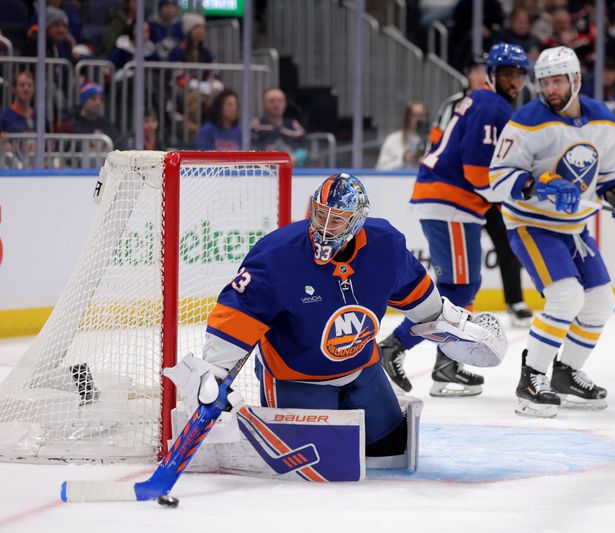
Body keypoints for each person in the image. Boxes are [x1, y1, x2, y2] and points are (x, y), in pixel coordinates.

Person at [173, 173, 485, 461]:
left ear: (357, 221)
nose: (324, 227)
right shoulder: (278, 254)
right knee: (315, 461)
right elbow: (237, 314)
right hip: (296, 376)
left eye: (337, 219)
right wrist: (214, 373)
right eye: (320, 214)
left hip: (363, 371)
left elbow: (417, 295)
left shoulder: (384, 245)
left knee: (391, 452)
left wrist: (449, 322)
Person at [488, 46, 615, 418]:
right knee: (565, 297)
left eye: (558, 80)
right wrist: (538, 185)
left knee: (600, 301)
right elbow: (496, 180)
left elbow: (609, 178)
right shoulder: (526, 121)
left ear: (576, 79)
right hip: (531, 224)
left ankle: (566, 373)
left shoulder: (605, 120)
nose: (550, 88)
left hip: (573, 228)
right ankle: (531, 378)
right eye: (544, 81)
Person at [378, 42, 529, 397]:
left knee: (461, 286)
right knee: (459, 288)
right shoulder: (492, 105)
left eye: (519, 74)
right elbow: (478, 174)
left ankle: (445, 362)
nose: (514, 81)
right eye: (507, 73)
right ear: (491, 74)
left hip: (447, 202)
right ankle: (395, 348)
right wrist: (521, 189)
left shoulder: (482, 101)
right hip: (452, 203)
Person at [427, 54, 533, 327]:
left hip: (486, 194)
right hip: (468, 190)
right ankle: (435, 331)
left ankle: (514, 300)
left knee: (507, 246)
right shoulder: (459, 105)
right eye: (474, 69)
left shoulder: (498, 104)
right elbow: (439, 143)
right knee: (460, 280)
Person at [251, 87, 308, 166]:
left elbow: (305, 148)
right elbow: (250, 149)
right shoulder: (256, 126)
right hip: (262, 173)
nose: (276, 104)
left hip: (294, 174)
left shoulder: (294, 125)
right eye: (271, 101)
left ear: (285, 103)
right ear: (264, 103)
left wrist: (295, 158)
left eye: (280, 101)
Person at [375, 101, 428, 170]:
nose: (419, 119)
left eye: (422, 115)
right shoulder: (393, 139)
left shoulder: (432, 141)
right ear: (407, 117)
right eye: (415, 115)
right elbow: (380, 168)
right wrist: (403, 159)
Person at [74, 82, 125, 150]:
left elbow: (120, 146)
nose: (98, 103)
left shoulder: (106, 124)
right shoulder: (72, 123)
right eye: (93, 98)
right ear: (84, 101)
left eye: (101, 99)